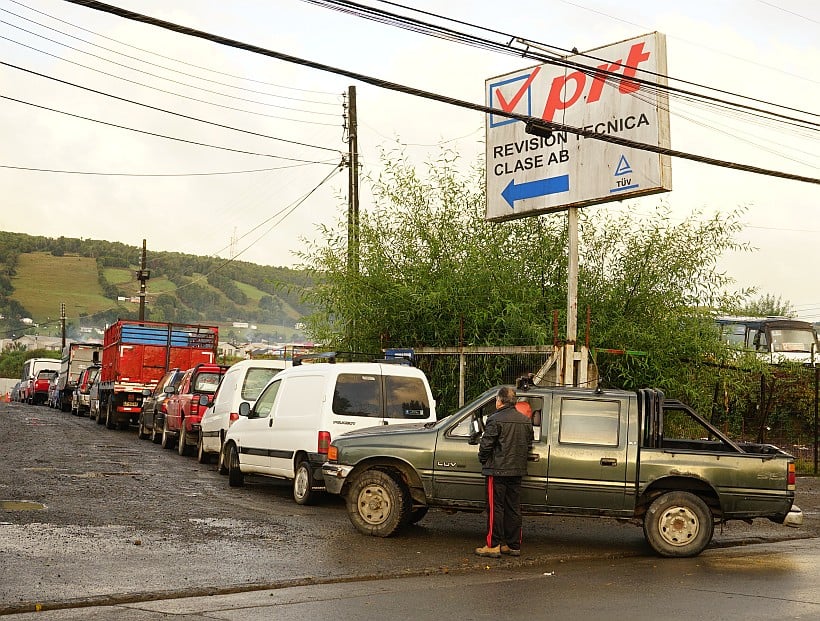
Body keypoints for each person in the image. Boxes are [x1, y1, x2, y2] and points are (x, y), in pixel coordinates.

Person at [475, 385, 534, 558]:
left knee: (495, 508)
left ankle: (493, 545)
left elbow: (486, 445)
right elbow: (528, 443)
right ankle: (513, 545)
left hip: (497, 470)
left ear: (500, 401)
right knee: (513, 508)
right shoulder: (524, 420)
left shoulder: (495, 419)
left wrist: (483, 459)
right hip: (517, 471)